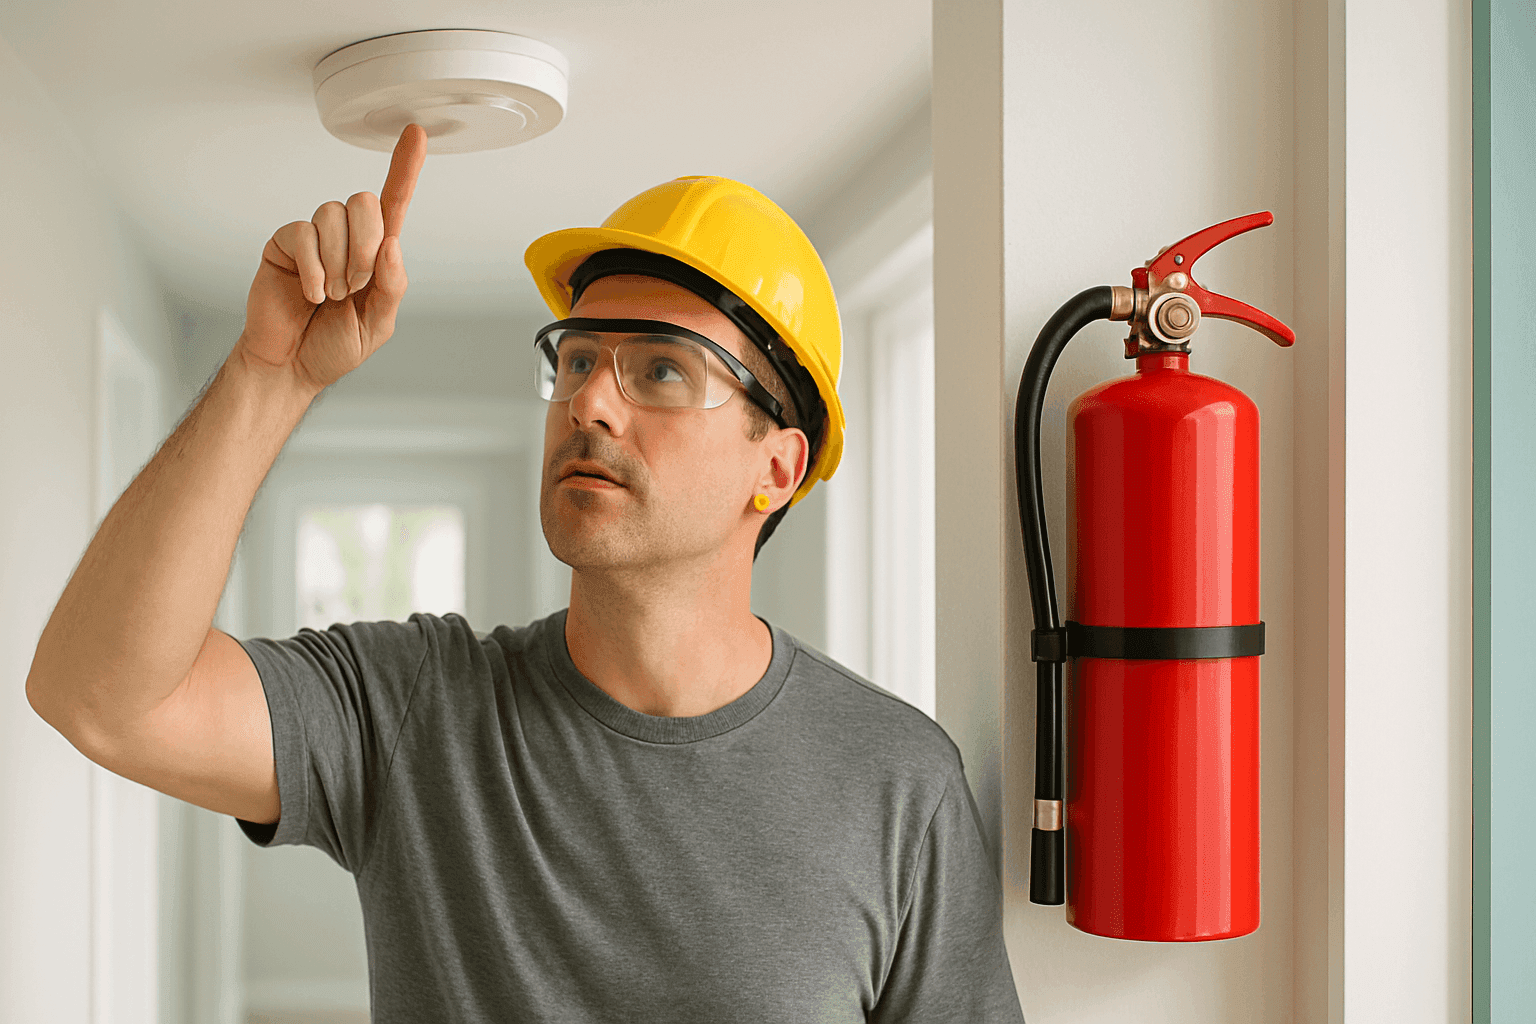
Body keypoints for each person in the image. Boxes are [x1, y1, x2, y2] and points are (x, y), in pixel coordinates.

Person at [27, 124, 1025, 1022]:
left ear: (778, 466)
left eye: (662, 370)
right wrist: (269, 376)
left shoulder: (899, 785)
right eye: (578, 358)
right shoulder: (418, 709)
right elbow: (102, 696)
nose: (590, 400)